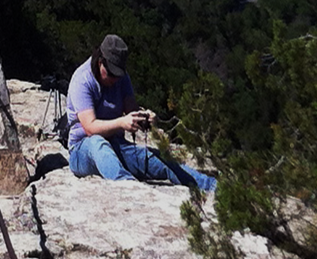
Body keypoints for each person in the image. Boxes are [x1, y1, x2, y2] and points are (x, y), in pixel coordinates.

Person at [66, 34, 216, 191]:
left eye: (118, 75)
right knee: (98, 143)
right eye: (111, 74)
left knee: (161, 161)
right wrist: (121, 123)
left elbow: (131, 109)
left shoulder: (122, 79)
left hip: (117, 146)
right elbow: (90, 128)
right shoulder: (83, 80)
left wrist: (144, 118)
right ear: (100, 61)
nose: (114, 80)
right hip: (83, 150)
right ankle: (129, 187)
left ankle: (211, 186)